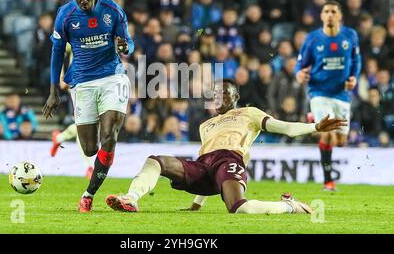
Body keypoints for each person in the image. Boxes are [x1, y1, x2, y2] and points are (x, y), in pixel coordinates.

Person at [105, 79, 346, 214]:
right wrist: (196, 205)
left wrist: (314, 128)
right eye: (214, 93)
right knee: (156, 160)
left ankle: (290, 206)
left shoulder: (248, 113)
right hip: (203, 167)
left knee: (239, 208)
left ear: (234, 96)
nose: (217, 96)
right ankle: (131, 198)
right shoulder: (206, 125)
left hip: (230, 162)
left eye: (223, 92)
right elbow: (206, 161)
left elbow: (284, 128)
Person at [42, 0, 134, 213]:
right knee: (90, 148)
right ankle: (93, 179)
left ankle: (88, 194)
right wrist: (54, 90)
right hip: (82, 82)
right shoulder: (65, 14)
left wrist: (126, 47)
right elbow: (57, 53)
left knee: (110, 136)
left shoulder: (112, 10)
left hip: (112, 77)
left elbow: (128, 43)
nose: (82, 1)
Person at [295, 0, 361, 191]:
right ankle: (328, 181)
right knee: (329, 136)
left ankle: (312, 119)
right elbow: (300, 64)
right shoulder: (313, 39)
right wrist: (299, 74)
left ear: (340, 15)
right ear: (322, 16)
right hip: (319, 92)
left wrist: (354, 78)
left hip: (341, 94)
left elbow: (356, 60)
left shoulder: (350, 35)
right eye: (326, 11)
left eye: (333, 11)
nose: (330, 14)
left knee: (340, 141)